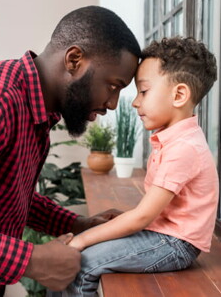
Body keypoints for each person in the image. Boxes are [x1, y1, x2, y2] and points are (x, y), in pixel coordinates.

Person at [0, 6, 141, 297]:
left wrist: (76, 224)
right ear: (74, 59)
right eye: (113, 85)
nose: (112, 103)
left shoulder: (36, 110)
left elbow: (3, 191)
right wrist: (29, 260)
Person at [56, 37, 219, 296]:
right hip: (161, 234)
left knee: (79, 264)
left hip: (174, 244)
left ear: (179, 95)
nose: (134, 102)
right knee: (65, 260)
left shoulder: (184, 148)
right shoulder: (174, 140)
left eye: (143, 91)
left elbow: (142, 216)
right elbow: (148, 215)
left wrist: (82, 240)